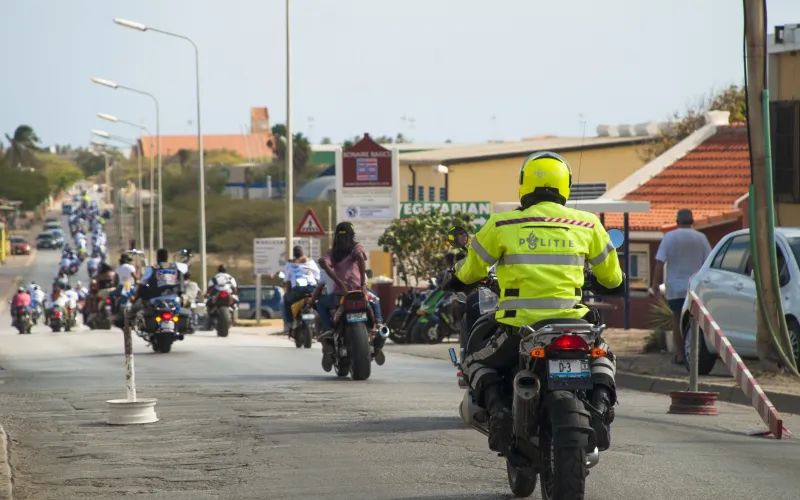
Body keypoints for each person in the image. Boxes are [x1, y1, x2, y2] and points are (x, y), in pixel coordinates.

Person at [443, 151, 625, 453]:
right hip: (573, 325)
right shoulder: (589, 224)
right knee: (603, 355)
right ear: (565, 185)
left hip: (519, 327)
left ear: (524, 183)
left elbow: (470, 271)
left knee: (475, 360)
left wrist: (455, 276)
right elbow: (613, 279)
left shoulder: (502, 224)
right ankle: (602, 406)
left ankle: (499, 410)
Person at [651, 208, 712, 364]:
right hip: (696, 287)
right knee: (696, 321)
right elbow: (709, 263)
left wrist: (656, 283)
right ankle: (696, 355)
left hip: (676, 287)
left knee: (677, 319)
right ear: (692, 221)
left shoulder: (670, 237)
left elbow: (659, 262)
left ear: (677, 221)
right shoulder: (701, 238)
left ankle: (680, 354)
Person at [316, 222, 368, 370]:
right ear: (352, 235)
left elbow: (324, 263)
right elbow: (360, 257)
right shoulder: (356, 248)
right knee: (374, 302)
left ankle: (328, 330)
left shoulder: (332, 252)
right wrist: (363, 284)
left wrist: (341, 284)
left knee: (320, 304)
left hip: (340, 295)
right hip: (359, 293)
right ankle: (378, 326)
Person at [283, 245, 320, 335]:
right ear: (303, 253)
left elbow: (287, 280)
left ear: (294, 254)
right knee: (319, 302)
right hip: (311, 289)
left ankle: (290, 323)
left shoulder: (290, 264)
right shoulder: (310, 261)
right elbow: (318, 275)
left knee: (286, 300)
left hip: (297, 291)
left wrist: (287, 291)